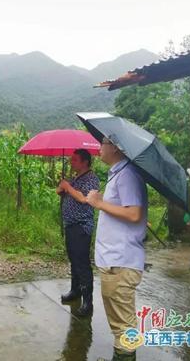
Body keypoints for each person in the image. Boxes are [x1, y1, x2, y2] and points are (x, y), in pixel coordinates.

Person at [86, 138, 148, 361]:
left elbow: (134, 214)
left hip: (121, 261)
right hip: (113, 260)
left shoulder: (128, 174)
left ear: (115, 147)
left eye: (102, 143)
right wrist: (102, 199)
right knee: (118, 323)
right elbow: (122, 208)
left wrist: (99, 203)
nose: (98, 148)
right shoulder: (117, 174)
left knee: (123, 326)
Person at [56, 149, 99, 317]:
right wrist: (62, 189)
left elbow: (84, 199)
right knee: (73, 260)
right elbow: (66, 194)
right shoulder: (75, 178)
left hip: (81, 227)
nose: (71, 162)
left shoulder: (91, 179)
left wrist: (67, 186)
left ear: (85, 162)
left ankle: (88, 302)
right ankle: (75, 291)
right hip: (71, 225)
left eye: (75, 160)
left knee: (82, 264)